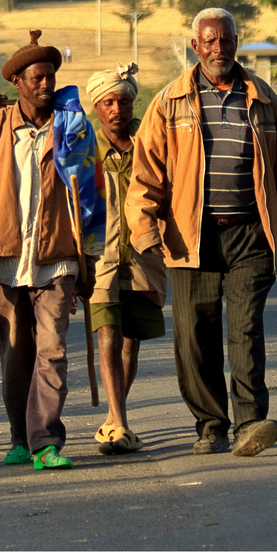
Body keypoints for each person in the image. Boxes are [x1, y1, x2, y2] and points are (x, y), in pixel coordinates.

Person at [129, 8, 277, 458]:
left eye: (226, 40)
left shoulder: (263, 99)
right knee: (195, 334)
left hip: (250, 232)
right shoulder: (170, 102)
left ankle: (250, 422)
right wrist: (145, 228)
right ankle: (210, 422)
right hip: (190, 237)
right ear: (195, 46)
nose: (218, 49)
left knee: (245, 327)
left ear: (237, 42)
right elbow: (146, 173)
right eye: (209, 41)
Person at [0, 31, 84, 471]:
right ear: (17, 81)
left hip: (58, 258)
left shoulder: (71, 126)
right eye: (37, 77)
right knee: (16, 352)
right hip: (5, 259)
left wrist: (88, 261)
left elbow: (87, 193)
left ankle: (46, 441)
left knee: (52, 350)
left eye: (50, 76)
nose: (46, 84)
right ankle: (19, 435)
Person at [84, 63, 167, 455]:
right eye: (108, 102)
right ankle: (120, 423)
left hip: (144, 256)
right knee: (108, 334)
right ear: (97, 107)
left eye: (123, 100)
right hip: (100, 259)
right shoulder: (84, 148)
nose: (117, 108)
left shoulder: (151, 144)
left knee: (131, 343)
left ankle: (115, 416)